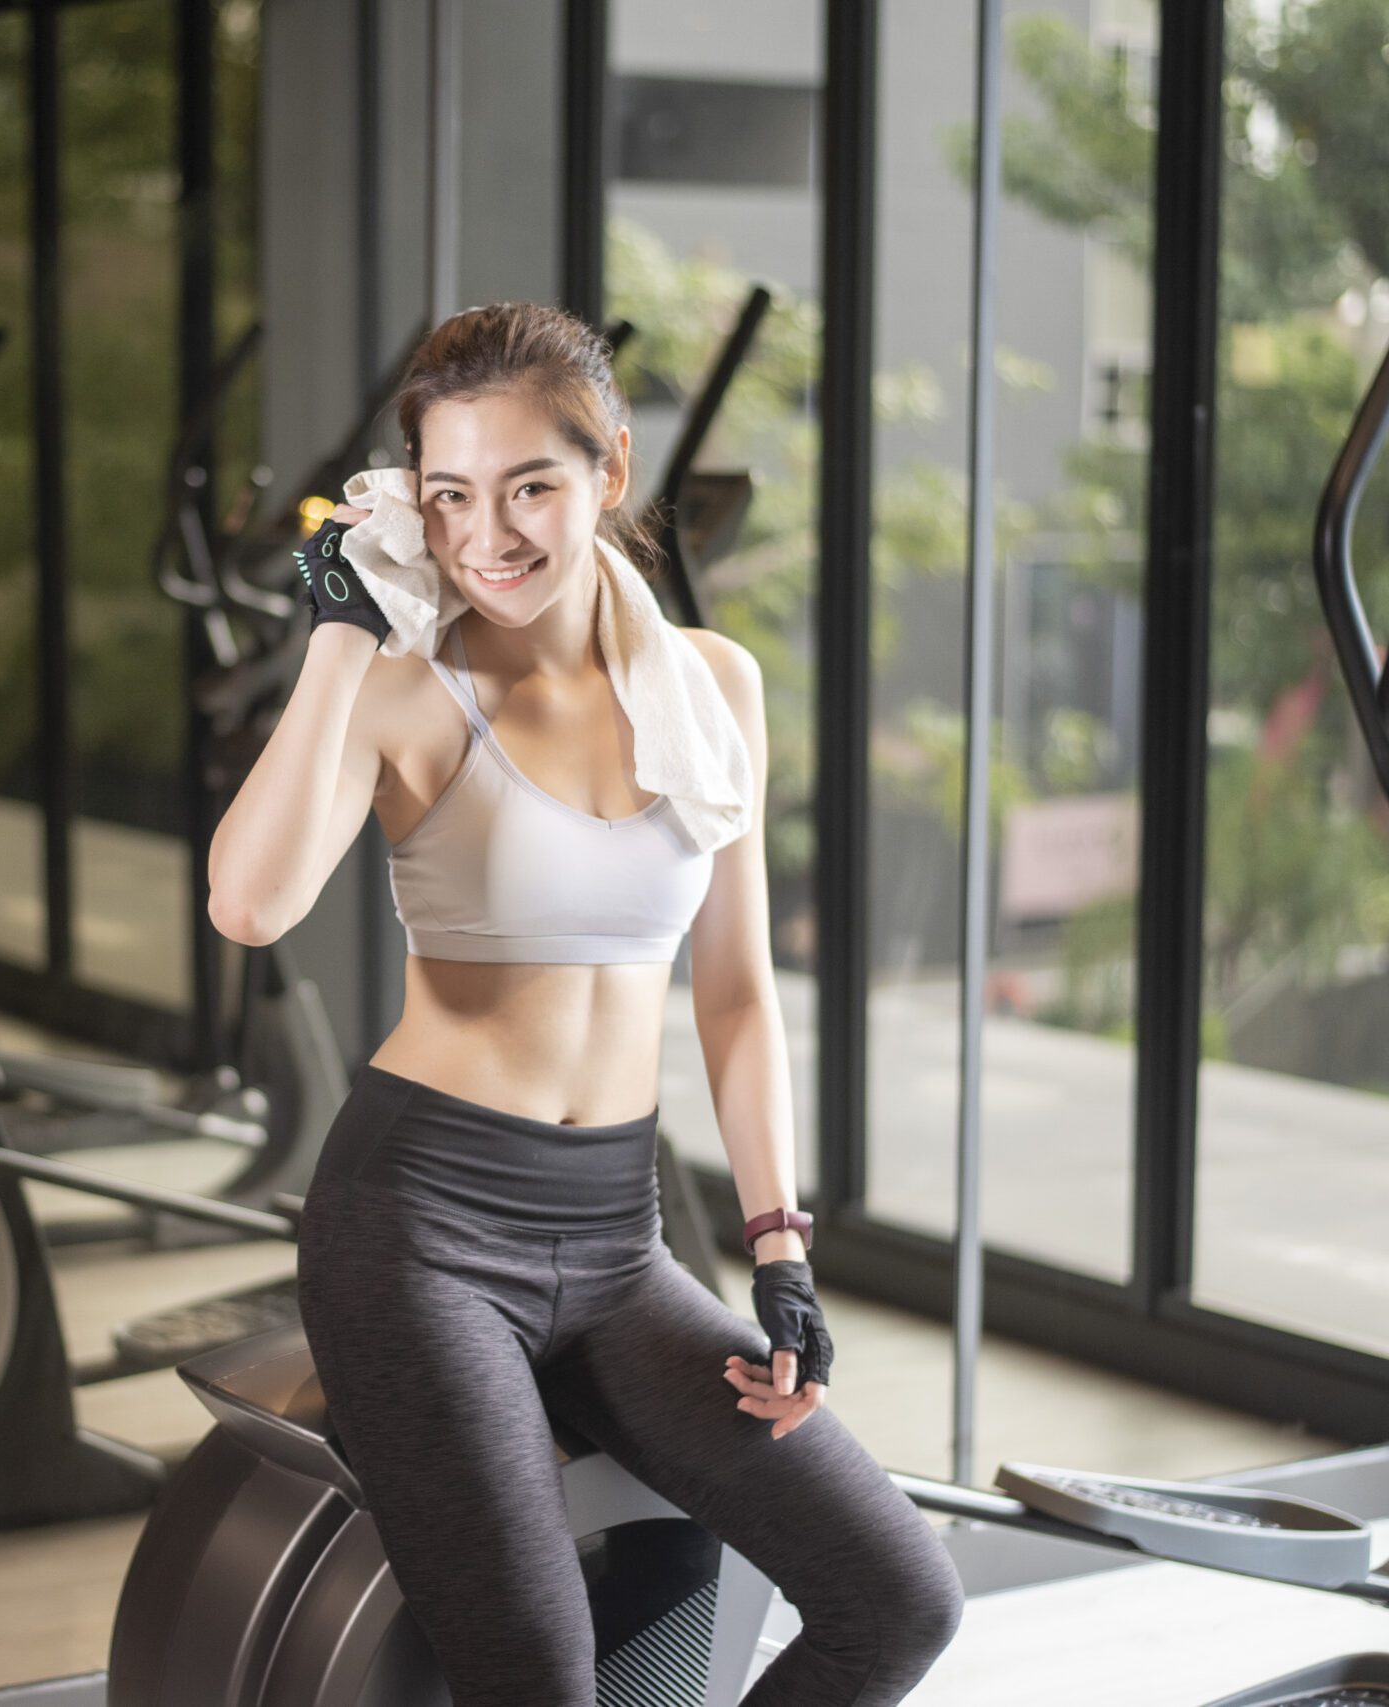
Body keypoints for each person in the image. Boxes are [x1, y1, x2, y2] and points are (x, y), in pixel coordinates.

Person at [209, 303, 963, 1707]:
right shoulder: (405, 689)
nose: (485, 533)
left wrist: (781, 1246)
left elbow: (736, 994)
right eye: (446, 495)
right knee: (543, 1680)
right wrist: (334, 630)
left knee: (897, 1598)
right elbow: (249, 905)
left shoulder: (711, 683)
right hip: (416, 1231)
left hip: (617, 1240)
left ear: (610, 468)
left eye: (528, 486)